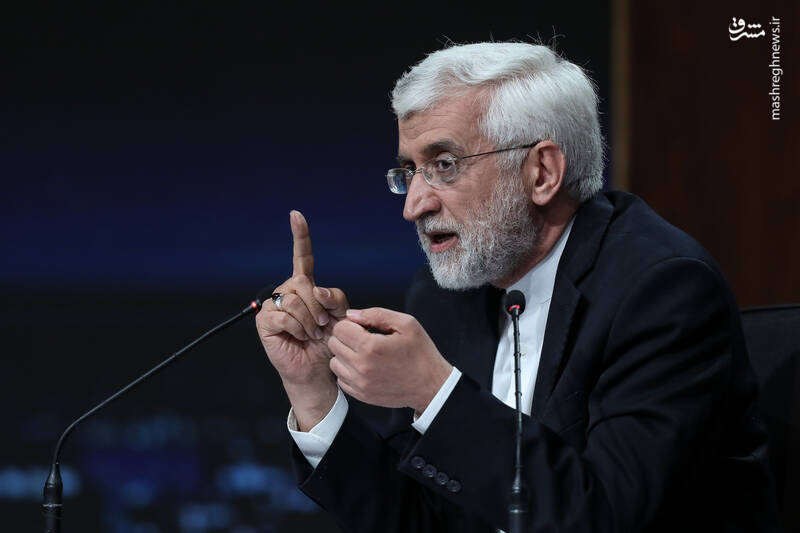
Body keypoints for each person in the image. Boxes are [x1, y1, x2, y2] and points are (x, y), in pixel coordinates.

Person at [254, 42, 778, 532]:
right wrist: (314, 392)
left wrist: (434, 392)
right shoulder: (444, 295)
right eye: (409, 171)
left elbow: (607, 513)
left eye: (443, 165)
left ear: (542, 173)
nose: (413, 205)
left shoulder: (662, 290)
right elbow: (413, 517)